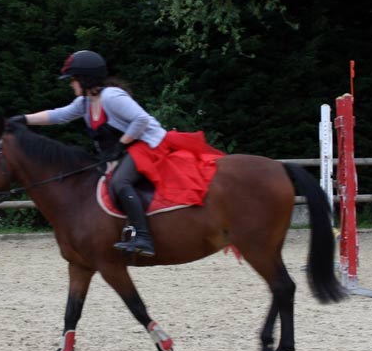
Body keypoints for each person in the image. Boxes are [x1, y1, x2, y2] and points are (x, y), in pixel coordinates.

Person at [14, 50, 223, 257]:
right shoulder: (85, 102)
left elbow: (140, 120)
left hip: (146, 144)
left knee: (120, 182)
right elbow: (59, 115)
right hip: (124, 149)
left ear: (86, 79)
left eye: (74, 79)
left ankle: (143, 237)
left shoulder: (111, 97)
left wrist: (121, 144)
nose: (71, 83)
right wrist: (23, 119)